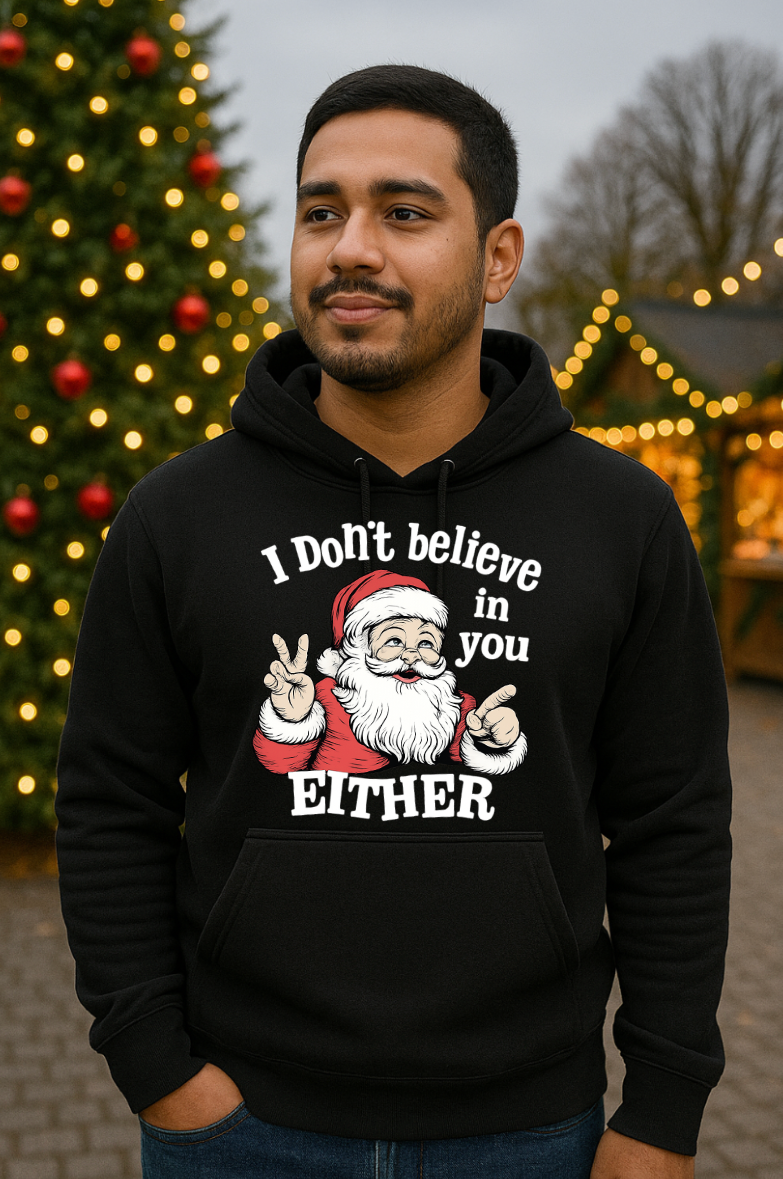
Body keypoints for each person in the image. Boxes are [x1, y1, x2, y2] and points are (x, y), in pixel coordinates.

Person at [56, 64, 732, 1179]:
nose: (351, 247)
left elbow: (673, 822)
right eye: (322, 211)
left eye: (404, 212)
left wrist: (662, 1111)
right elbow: (111, 802)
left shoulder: (621, 518)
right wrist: (157, 1070)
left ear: (500, 258)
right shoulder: (178, 515)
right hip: (236, 1128)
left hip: (530, 1132)